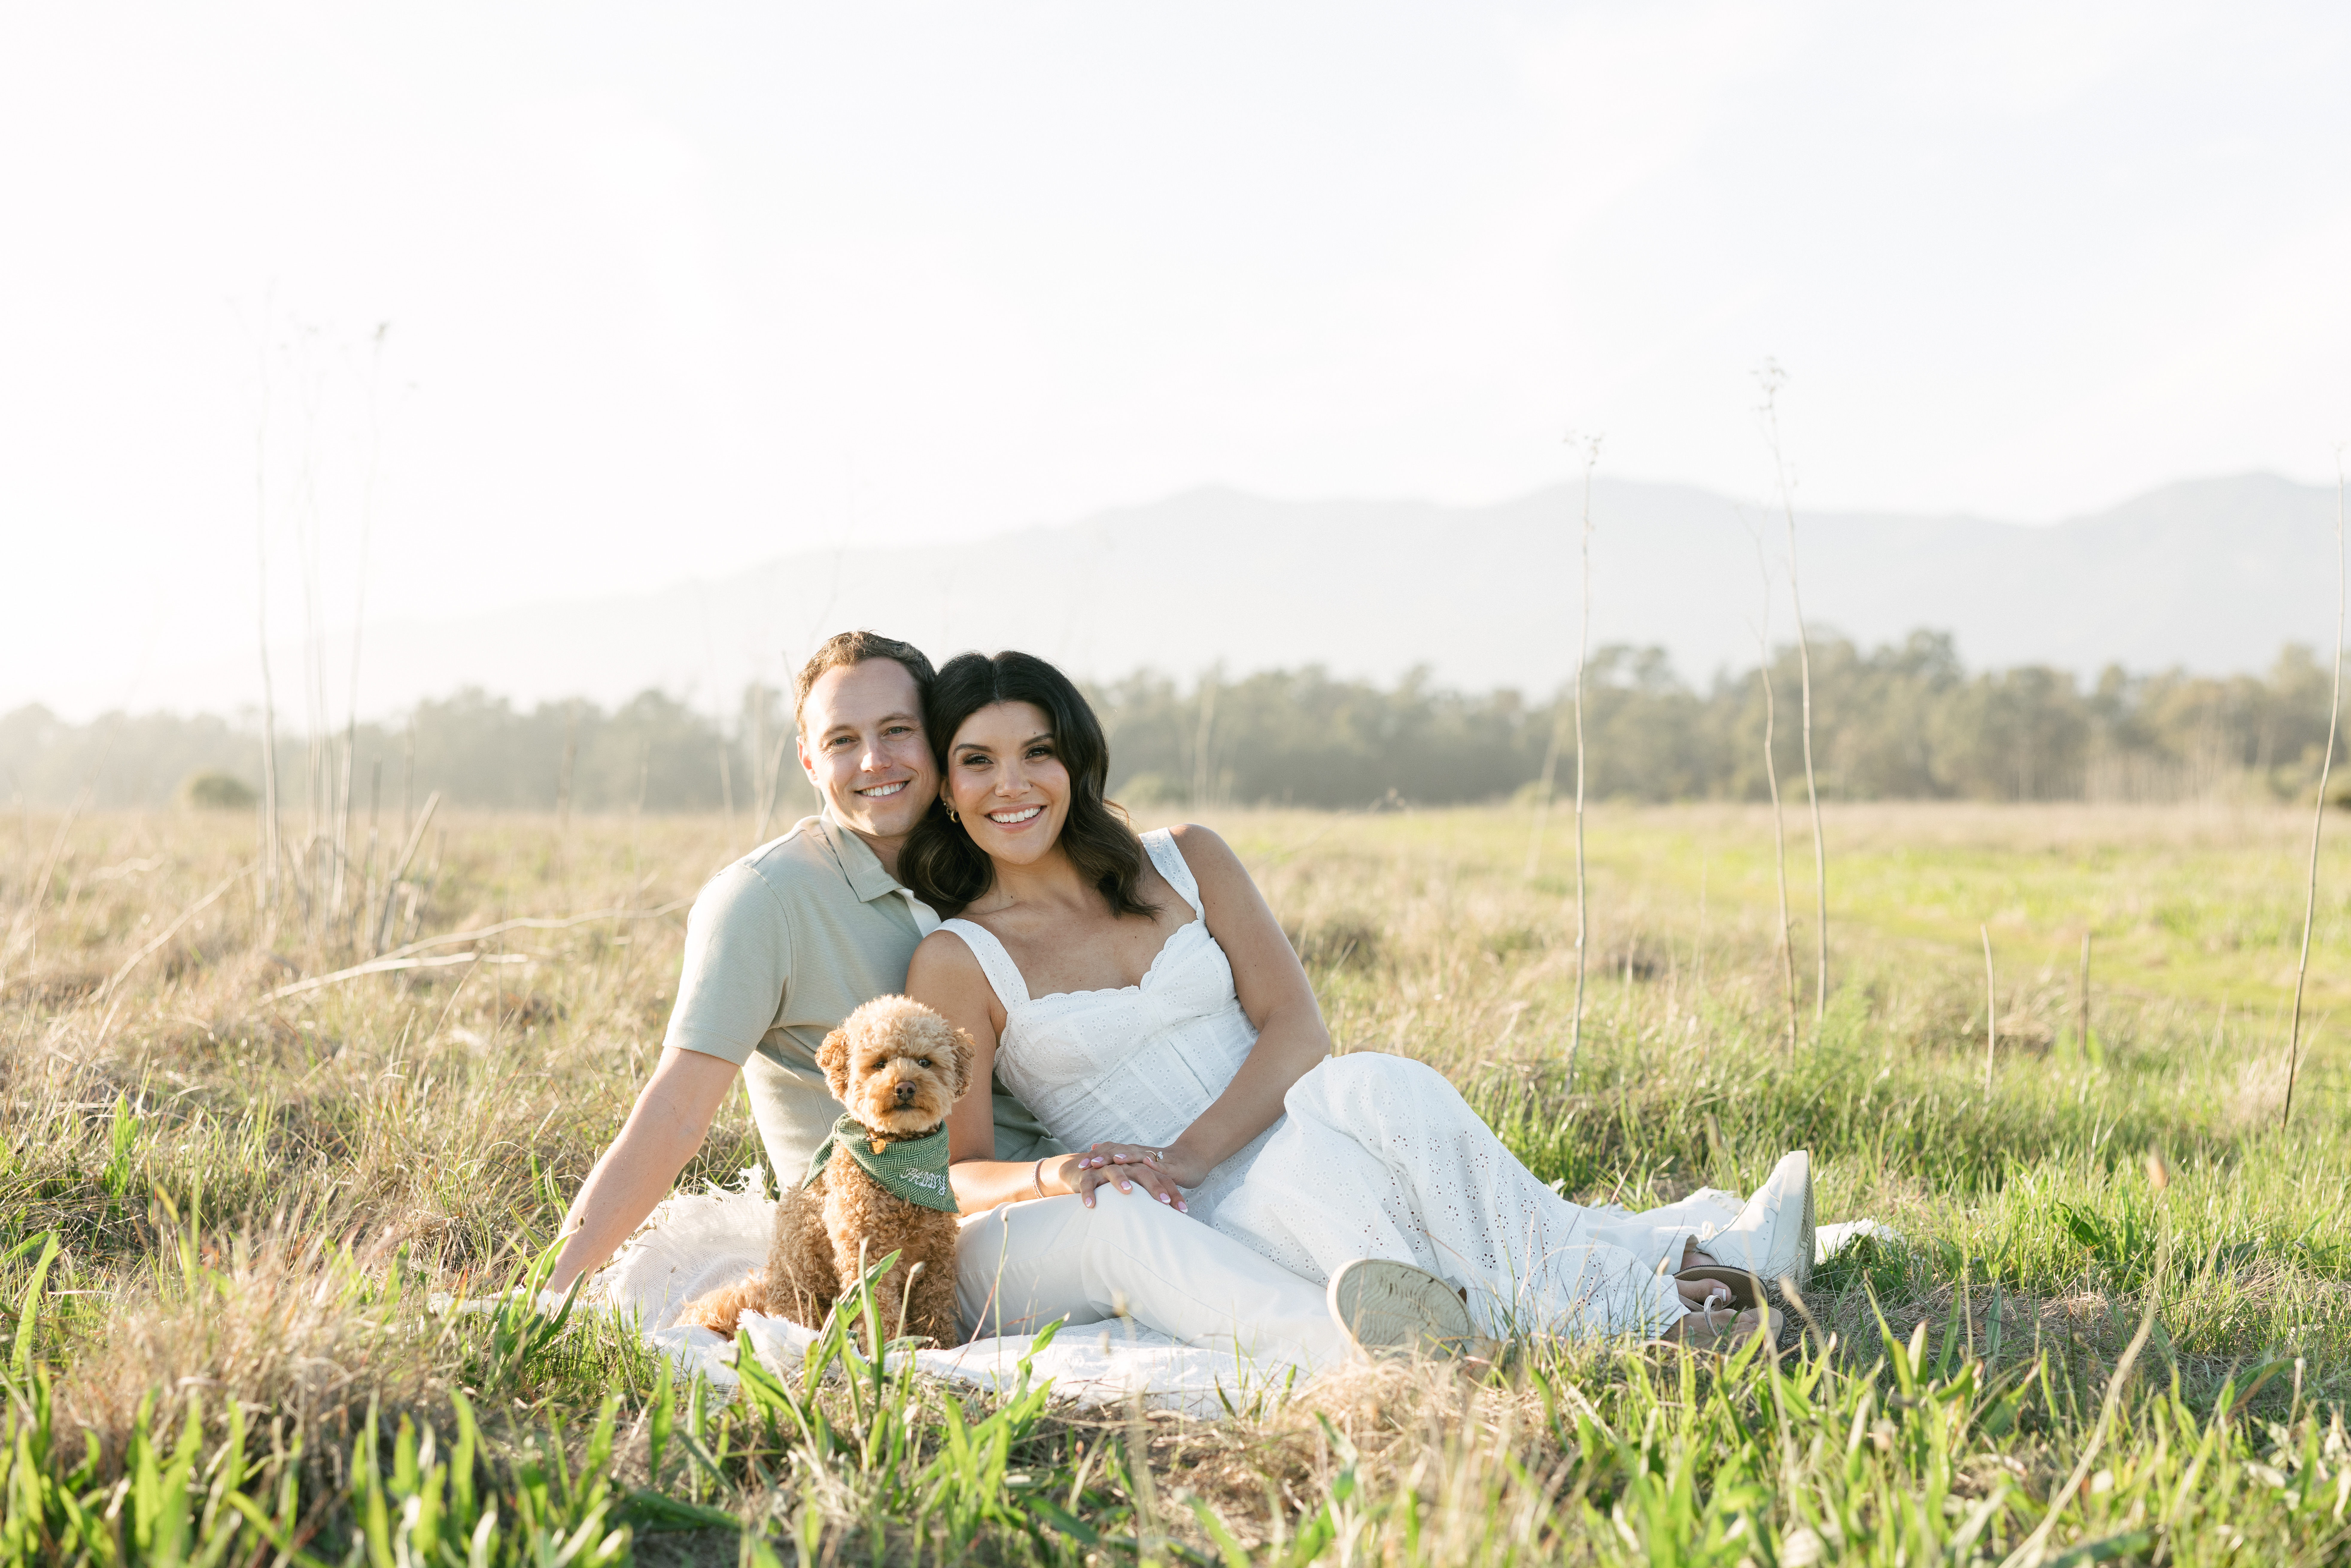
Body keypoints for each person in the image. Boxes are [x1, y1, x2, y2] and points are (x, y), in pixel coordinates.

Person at [549, 630, 1466, 1371]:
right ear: (805, 756)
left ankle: (1447, 1297)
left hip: (1064, 1181)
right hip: (905, 1230)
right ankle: (1374, 1362)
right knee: (1124, 1230)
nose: (875, 760)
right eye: (841, 740)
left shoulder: (965, 875)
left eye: (899, 732)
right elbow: (675, 1109)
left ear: (938, 752)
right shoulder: (764, 900)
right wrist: (549, 1294)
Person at [905, 650, 1813, 1348]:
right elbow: (956, 1170)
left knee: (1375, 1083)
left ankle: (1661, 1295)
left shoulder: (1185, 856)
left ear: (1078, 760)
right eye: (977, 761)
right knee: (1333, 1176)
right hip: (1209, 1216)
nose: (1011, 784)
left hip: (1282, 1129)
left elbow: (1299, 1029)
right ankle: (1672, 1300)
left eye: (1037, 752)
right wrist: (1059, 1174)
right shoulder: (960, 958)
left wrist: (1188, 1150)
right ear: (946, 787)